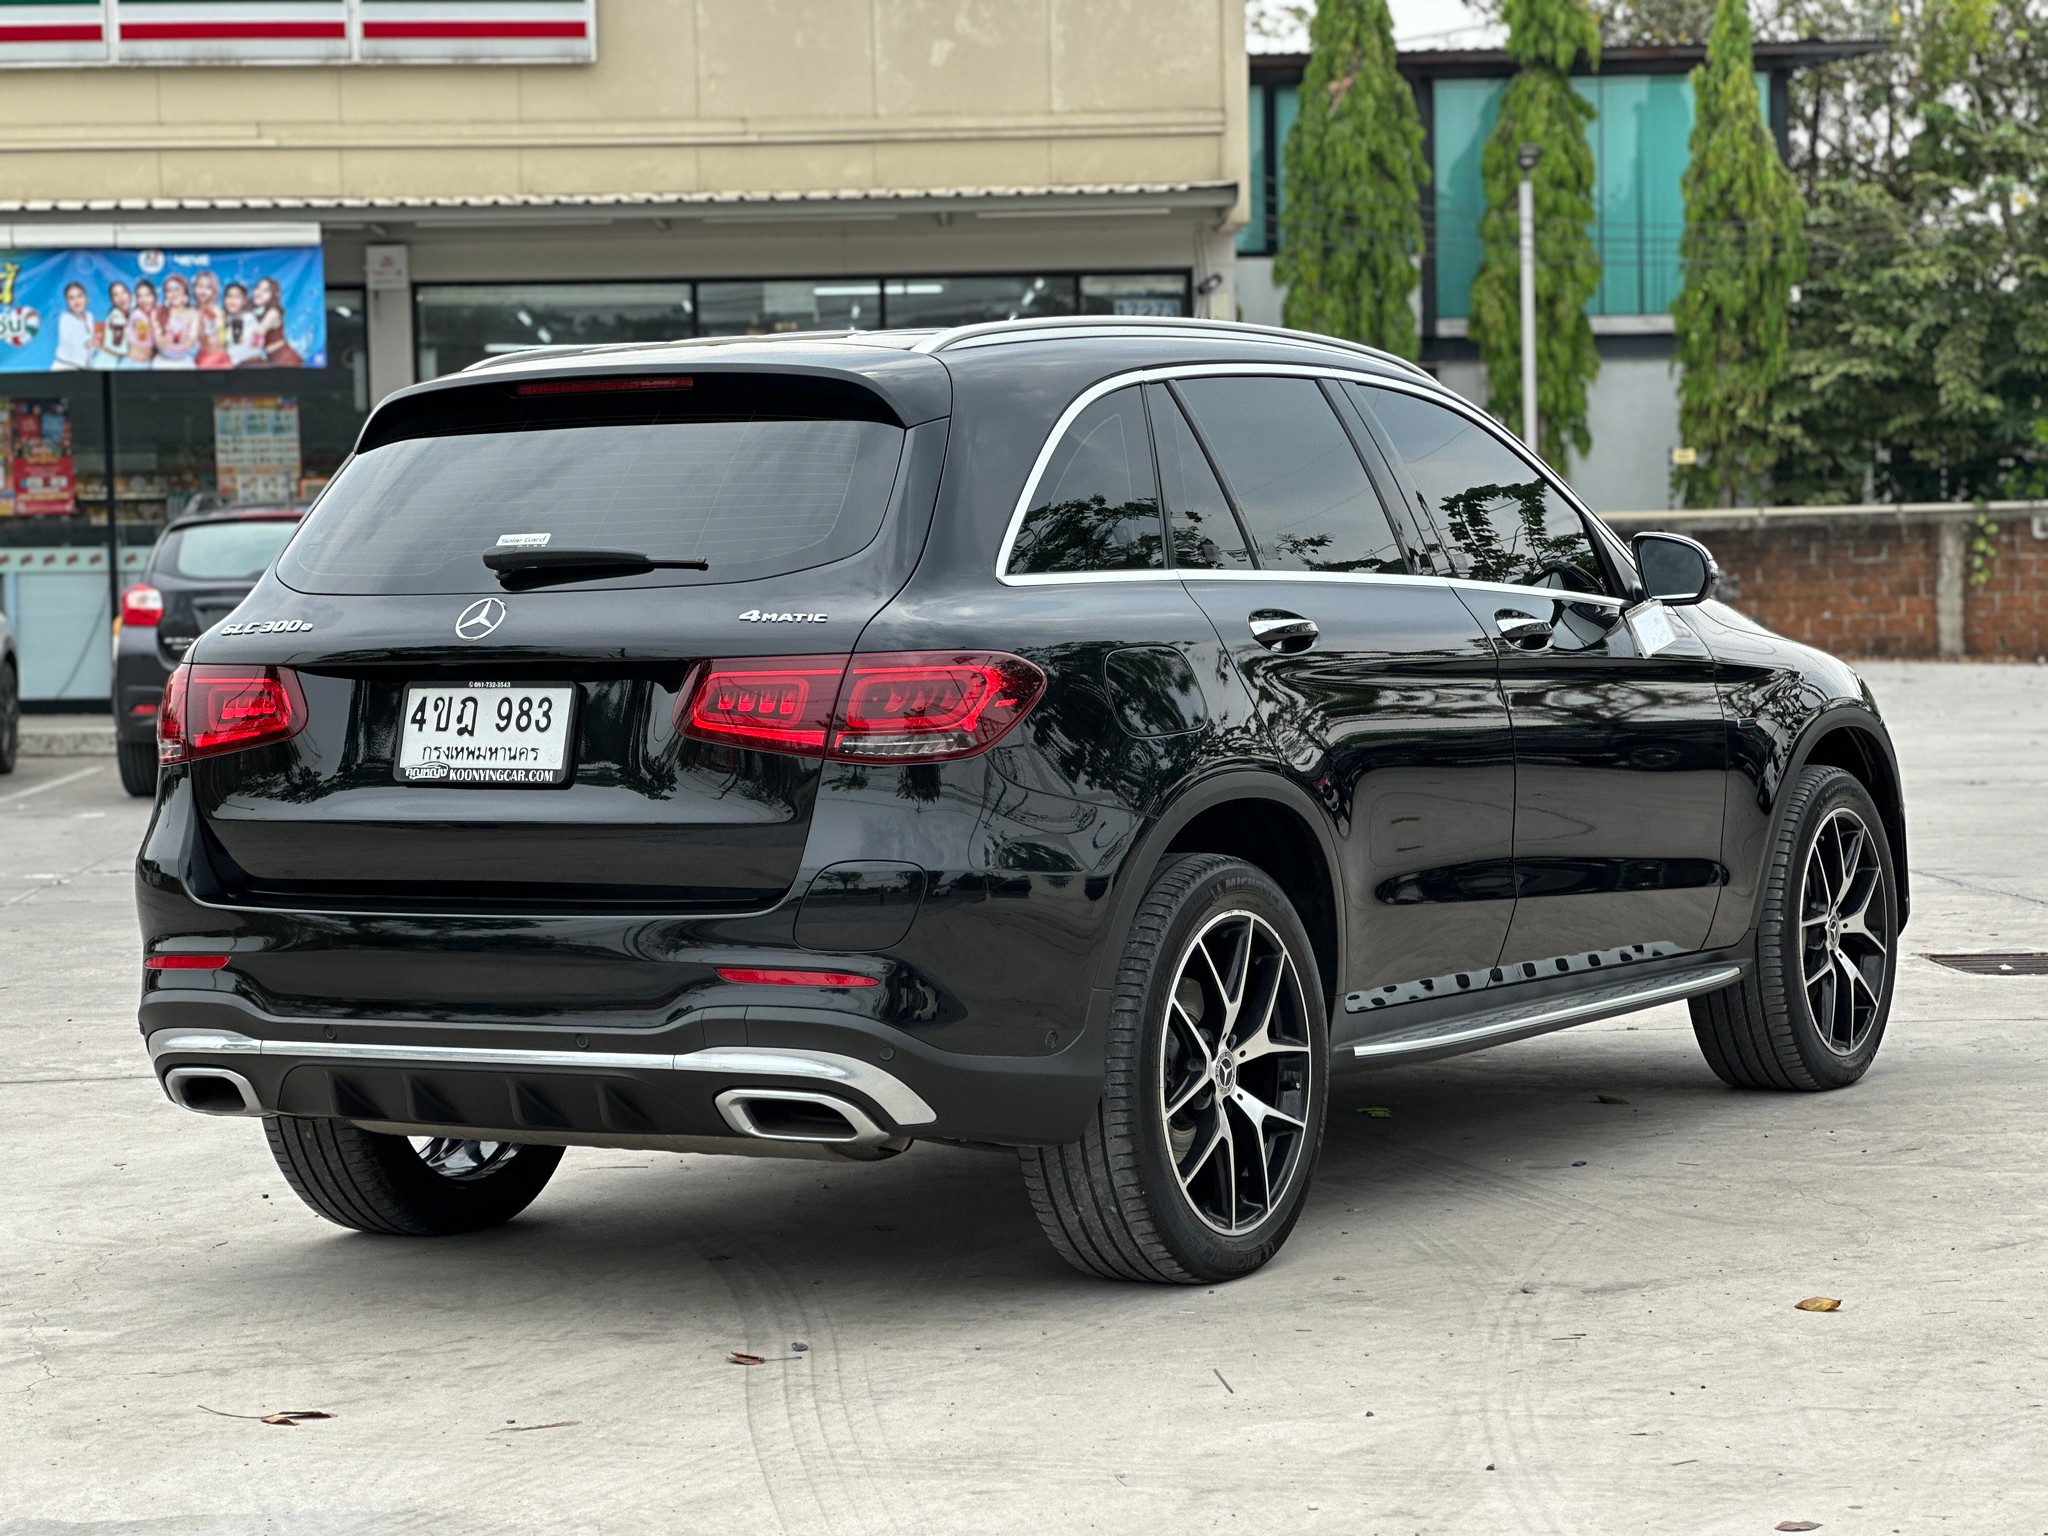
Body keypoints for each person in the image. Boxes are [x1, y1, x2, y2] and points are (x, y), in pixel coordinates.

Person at [249, 276, 303, 368]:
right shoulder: (258, 309)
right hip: (273, 358)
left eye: (266, 291)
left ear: (273, 295)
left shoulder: (273, 312)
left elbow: (258, 333)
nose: (259, 293)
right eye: (258, 288)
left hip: (285, 358)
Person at [154, 272, 199, 368]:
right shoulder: (158, 312)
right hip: (162, 363)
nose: (173, 294)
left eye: (177, 289)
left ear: (185, 291)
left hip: (184, 363)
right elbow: (158, 343)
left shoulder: (193, 314)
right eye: (169, 290)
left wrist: (186, 341)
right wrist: (164, 339)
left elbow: (192, 340)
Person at [193, 269, 231, 369]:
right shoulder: (193, 312)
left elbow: (215, 339)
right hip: (203, 357)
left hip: (221, 358)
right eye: (200, 286)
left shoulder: (218, 311)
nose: (203, 291)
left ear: (214, 291)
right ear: (194, 288)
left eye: (208, 287)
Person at [221, 283, 266, 366]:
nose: (232, 301)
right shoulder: (224, 319)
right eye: (229, 296)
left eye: (237, 297)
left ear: (244, 300)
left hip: (251, 366)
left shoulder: (249, 319)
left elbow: (248, 350)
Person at [53, 282, 95, 370]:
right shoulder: (65, 319)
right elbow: (72, 343)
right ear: (67, 302)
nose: (77, 301)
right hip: (65, 368)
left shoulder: (89, 316)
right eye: (71, 298)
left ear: (86, 297)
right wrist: (89, 342)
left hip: (85, 368)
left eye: (80, 296)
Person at [92, 281, 133, 369]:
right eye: (116, 295)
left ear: (129, 294)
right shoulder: (116, 316)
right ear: (112, 300)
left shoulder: (126, 314)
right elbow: (123, 349)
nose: (121, 298)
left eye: (123, 292)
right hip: (103, 364)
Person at [125, 278, 157, 368]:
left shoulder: (154, 313)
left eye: (148, 295)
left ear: (154, 296)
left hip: (147, 364)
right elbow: (143, 338)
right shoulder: (138, 315)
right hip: (133, 365)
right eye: (140, 296)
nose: (144, 300)